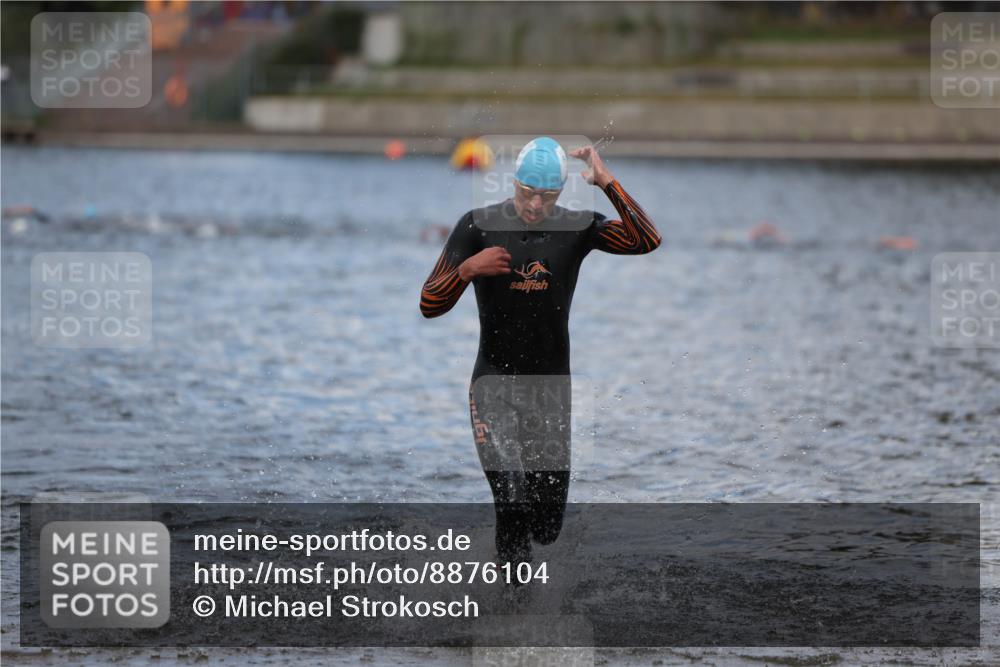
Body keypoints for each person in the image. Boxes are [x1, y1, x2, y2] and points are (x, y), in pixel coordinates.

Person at [420, 137, 661, 567]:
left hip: (550, 391)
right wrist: (467, 270)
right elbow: (428, 305)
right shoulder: (478, 226)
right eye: (526, 192)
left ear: (562, 191)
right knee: (511, 498)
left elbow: (647, 240)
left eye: (547, 196)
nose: (534, 204)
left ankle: (509, 585)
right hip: (492, 384)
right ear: (513, 183)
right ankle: (510, 614)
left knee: (546, 529)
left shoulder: (579, 227)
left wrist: (606, 182)